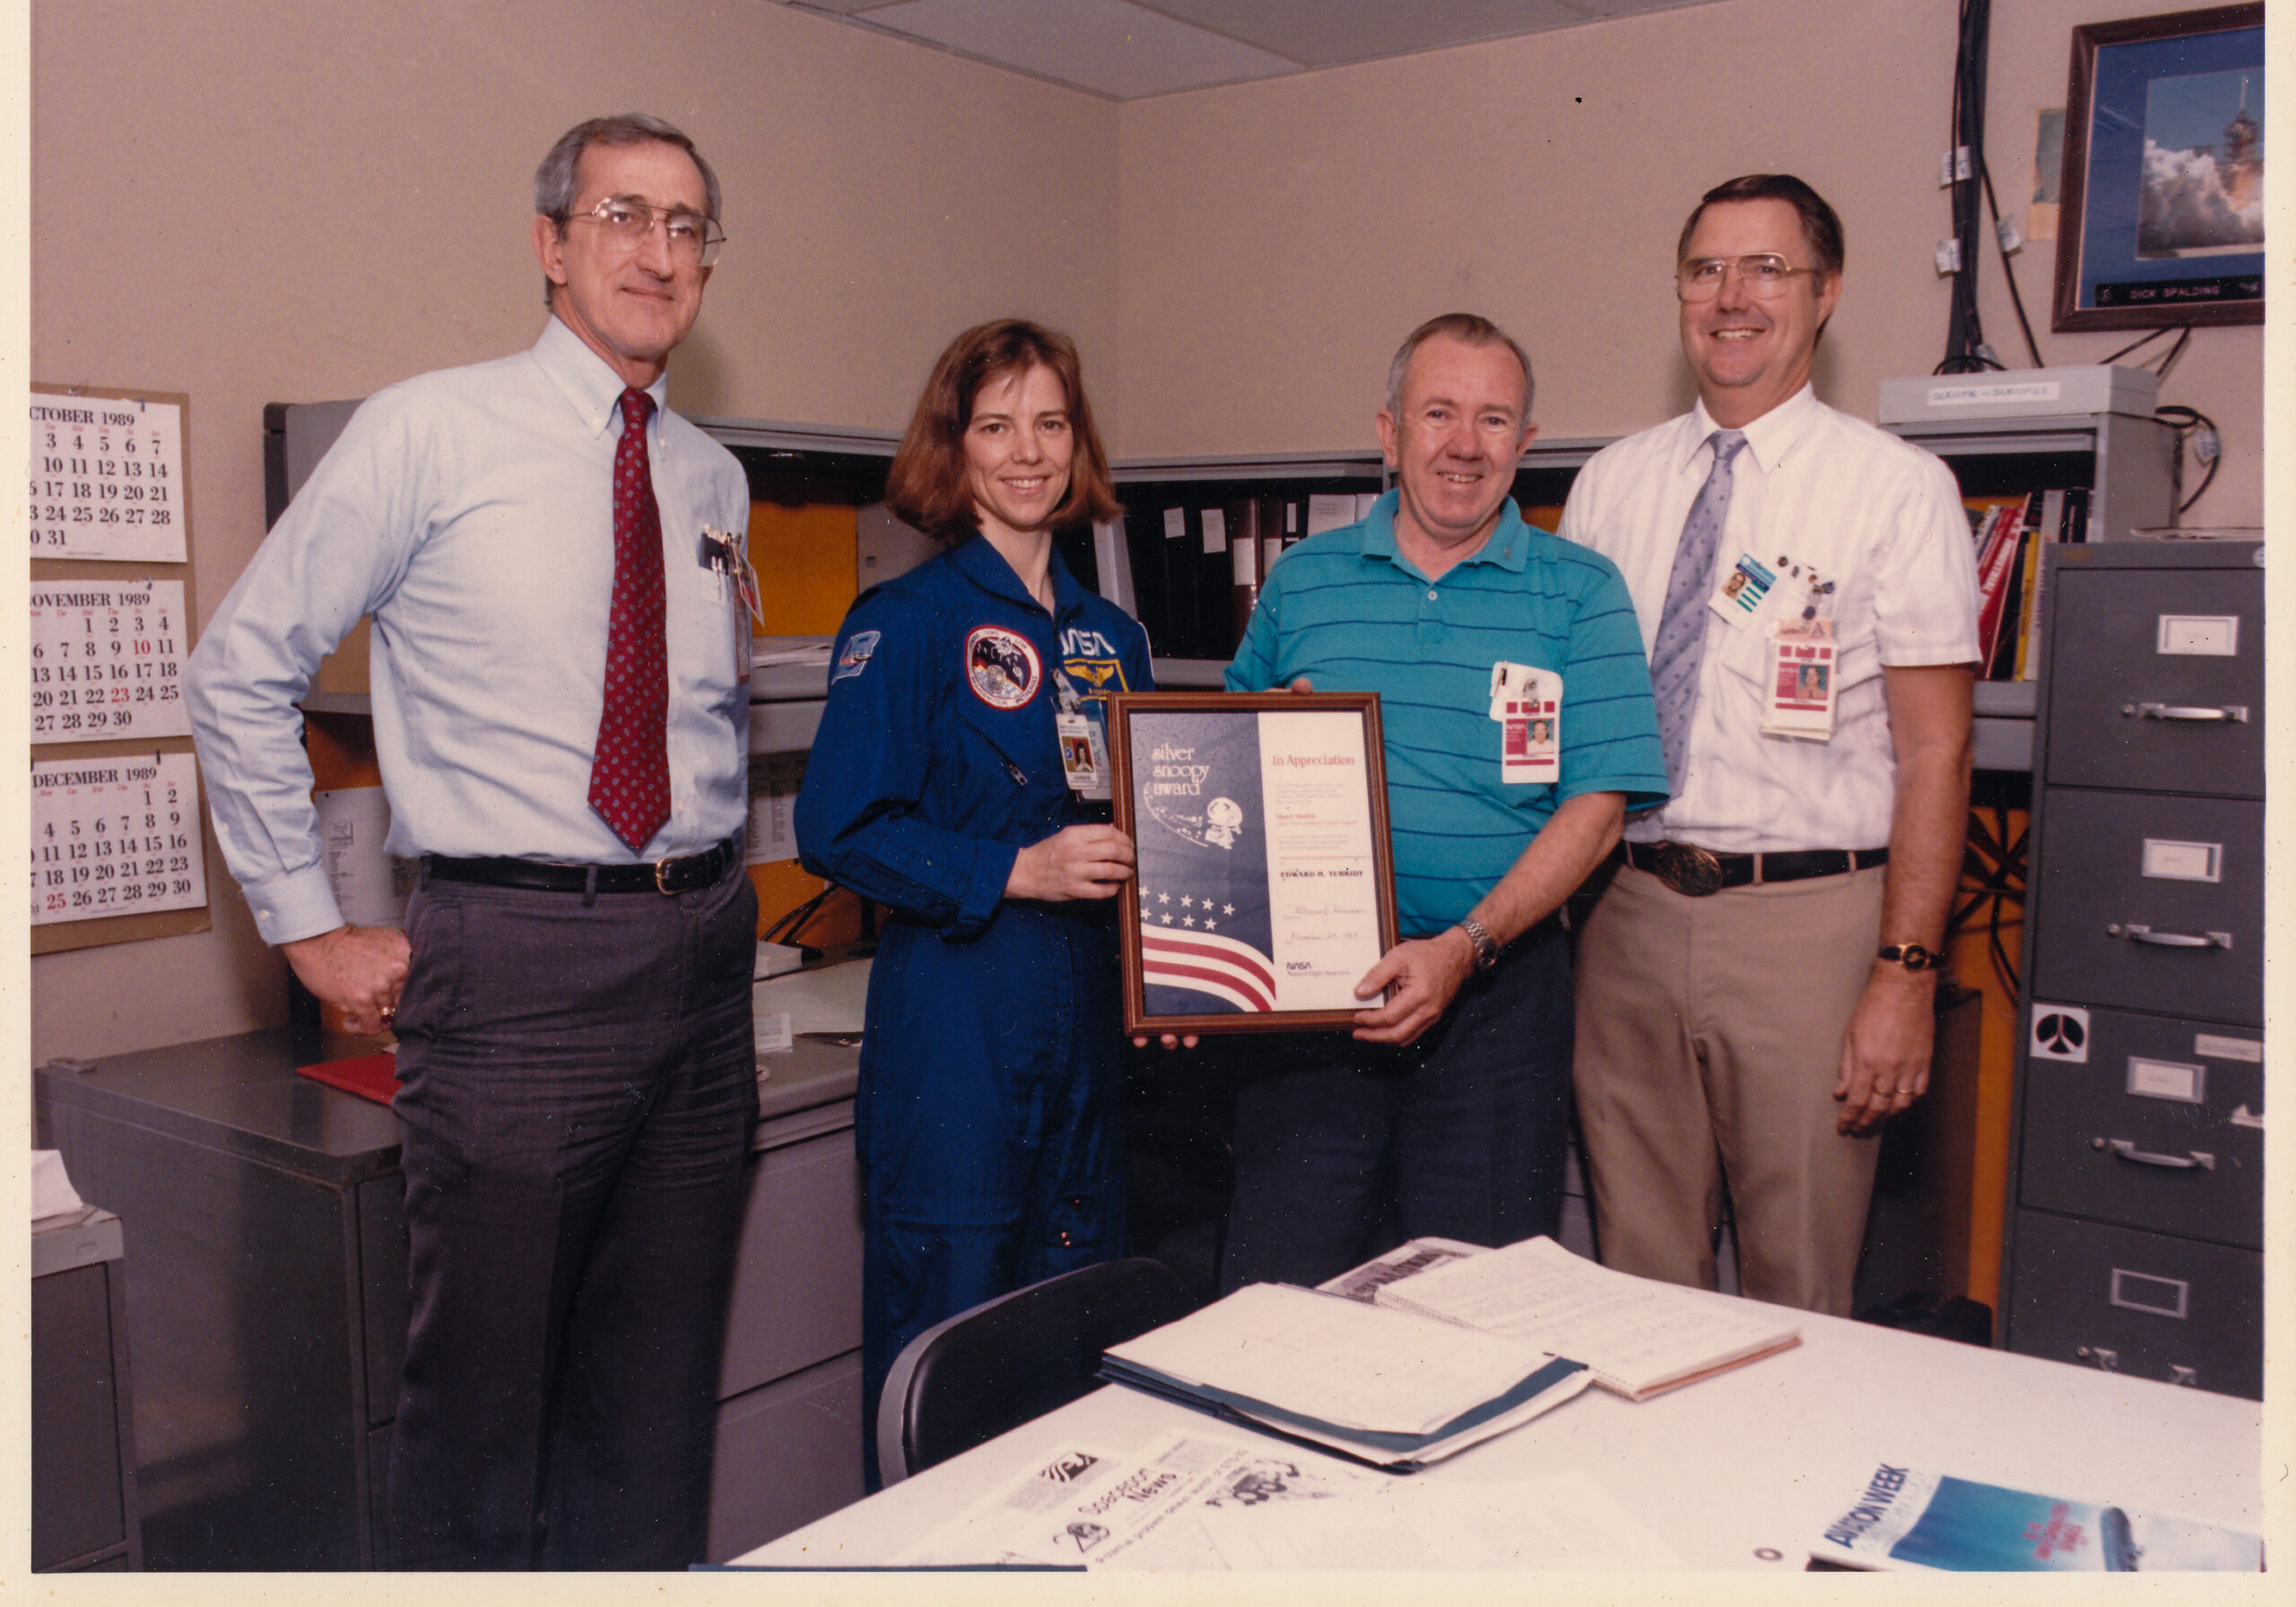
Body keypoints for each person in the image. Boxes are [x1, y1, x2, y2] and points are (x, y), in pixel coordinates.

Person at [186, 114, 756, 1568]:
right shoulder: (427, 428)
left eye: (688, 226)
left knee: (655, 1407)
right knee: (482, 1419)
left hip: (699, 954)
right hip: (514, 966)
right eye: (624, 214)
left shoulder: (709, 477)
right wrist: (308, 923)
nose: (659, 250)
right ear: (551, 243)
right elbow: (239, 668)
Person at [1559, 174, 1979, 1316]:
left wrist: (1904, 971)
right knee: (1637, 1286)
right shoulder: (1612, 483)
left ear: (1824, 292)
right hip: (1627, 915)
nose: (1731, 296)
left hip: (1809, 930)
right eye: (1706, 268)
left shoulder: (1897, 490)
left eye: (1766, 268)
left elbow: (1937, 753)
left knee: (1799, 1282)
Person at [1217, 313, 1667, 1290]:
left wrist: (1463, 948)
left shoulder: (1582, 592)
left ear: (1526, 444)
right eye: (1438, 413)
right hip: (1310, 1009)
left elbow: (1594, 810)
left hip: (1497, 1007)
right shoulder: (1302, 581)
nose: (1465, 444)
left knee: (1477, 1310)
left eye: (1494, 419)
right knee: (1278, 1303)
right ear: (1388, 431)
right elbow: (1212, 775)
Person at [793, 318, 1152, 1481]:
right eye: (996, 426)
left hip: (1091, 1034)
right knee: (943, 1353)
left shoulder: (1114, 640)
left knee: (1071, 1345)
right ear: (955, 450)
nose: (1028, 452)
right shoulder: (904, 626)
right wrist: (1013, 870)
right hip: (958, 1030)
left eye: (1050, 422)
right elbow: (836, 829)